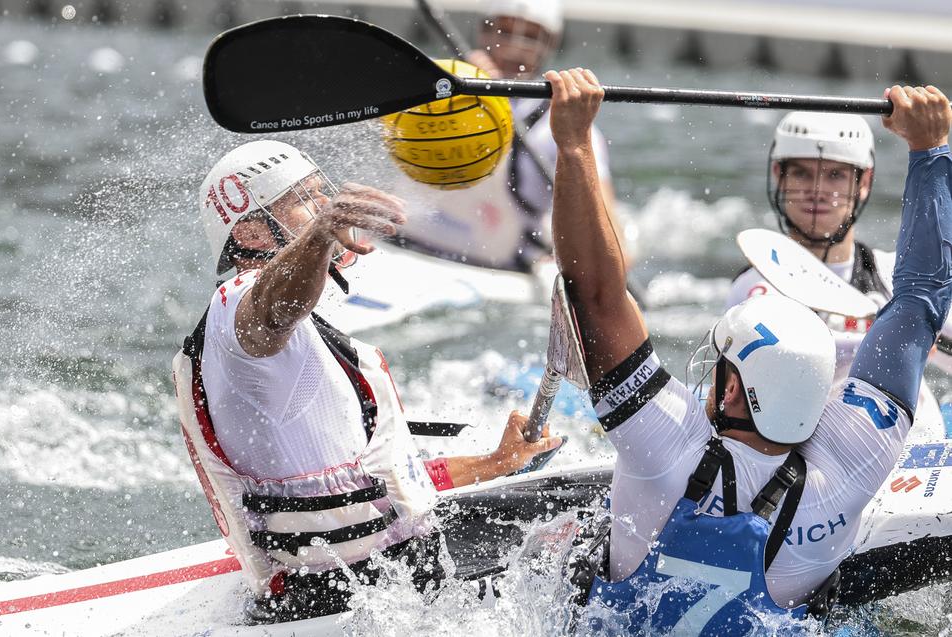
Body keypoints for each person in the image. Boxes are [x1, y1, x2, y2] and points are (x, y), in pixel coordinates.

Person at [546, 67, 952, 634]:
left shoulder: (663, 447)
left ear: (731, 386)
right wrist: (932, 150)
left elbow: (593, 290)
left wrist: (570, 142)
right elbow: (919, 306)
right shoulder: (853, 465)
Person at [171, 139, 561, 623]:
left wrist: (494, 463)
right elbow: (271, 311)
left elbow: (382, 486)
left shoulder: (290, 335)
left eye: (323, 196)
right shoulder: (239, 309)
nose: (324, 210)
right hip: (348, 597)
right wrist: (319, 236)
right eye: (304, 202)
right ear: (250, 233)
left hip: (374, 583)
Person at [726, 110, 952, 431]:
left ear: (864, 182)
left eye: (835, 175)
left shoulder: (893, 275)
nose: (817, 190)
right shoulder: (752, 288)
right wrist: (897, 338)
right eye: (802, 173)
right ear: (779, 174)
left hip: (908, 447)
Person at [398, 0, 624, 273]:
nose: (514, 47)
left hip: (499, 271)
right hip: (402, 248)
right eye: (504, 31)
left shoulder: (565, 126)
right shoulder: (435, 84)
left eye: (529, 36)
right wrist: (462, 82)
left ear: (549, 44)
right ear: (483, 32)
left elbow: (616, 251)